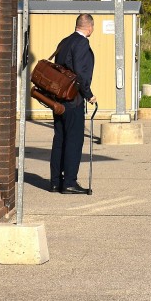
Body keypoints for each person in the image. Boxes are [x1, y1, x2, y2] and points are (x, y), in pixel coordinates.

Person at [51, 13, 97, 193]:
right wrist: (88, 94)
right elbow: (80, 73)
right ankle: (69, 182)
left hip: (59, 98)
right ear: (90, 27)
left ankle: (55, 182)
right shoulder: (82, 43)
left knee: (60, 139)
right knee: (74, 141)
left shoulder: (65, 41)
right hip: (73, 99)